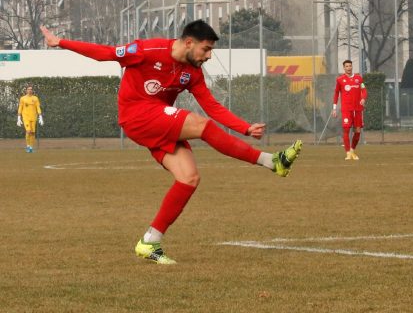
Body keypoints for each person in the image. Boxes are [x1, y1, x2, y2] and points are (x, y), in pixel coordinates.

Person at [40, 20, 302, 264]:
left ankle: (150, 241)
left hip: (158, 122)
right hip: (136, 115)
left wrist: (244, 127)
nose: (208, 55)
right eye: (206, 49)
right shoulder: (147, 49)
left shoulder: (192, 72)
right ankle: (272, 161)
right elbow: (105, 52)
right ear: (189, 42)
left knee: (189, 178)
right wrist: (60, 42)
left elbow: (211, 105)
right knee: (200, 126)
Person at [332, 59, 367, 160]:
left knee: (357, 130)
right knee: (346, 129)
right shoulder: (340, 80)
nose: (348, 68)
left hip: (358, 109)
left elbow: (364, 90)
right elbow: (336, 93)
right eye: (346, 66)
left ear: (352, 67)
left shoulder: (359, 79)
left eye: (350, 66)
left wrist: (363, 99)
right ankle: (347, 153)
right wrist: (334, 108)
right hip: (346, 109)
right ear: (344, 68)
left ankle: (352, 151)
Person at [17, 85, 44, 153]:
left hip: (33, 117)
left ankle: (31, 147)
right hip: (26, 117)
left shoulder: (35, 98)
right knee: (28, 131)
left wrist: (40, 117)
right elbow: (20, 107)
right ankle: (28, 146)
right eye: (28, 89)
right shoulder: (22, 98)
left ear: (32, 90)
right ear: (26, 90)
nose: (30, 90)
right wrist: (19, 117)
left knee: (32, 133)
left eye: (31, 89)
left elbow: (38, 107)